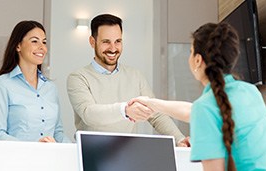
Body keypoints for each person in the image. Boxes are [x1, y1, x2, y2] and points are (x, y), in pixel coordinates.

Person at [129, 22, 266, 171]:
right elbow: (194, 111)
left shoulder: (207, 107)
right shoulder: (250, 92)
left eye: (191, 51)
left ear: (197, 60)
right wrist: (151, 103)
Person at [66, 14, 189, 146]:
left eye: (118, 41)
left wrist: (179, 139)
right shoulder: (78, 77)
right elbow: (89, 114)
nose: (113, 48)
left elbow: (156, 114)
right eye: (106, 42)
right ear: (92, 42)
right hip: (90, 153)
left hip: (126, 153)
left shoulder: (135, 76)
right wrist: (125, 110)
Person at [0, 20, 68, 143]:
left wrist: (73, 149)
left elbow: (58, 133)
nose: (42, 47)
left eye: (44, 42)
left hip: (49, 159)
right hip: (17, 160)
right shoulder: (1, 84)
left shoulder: (51, 88)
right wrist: (33, 147)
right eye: (34, 41)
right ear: (18, 46)